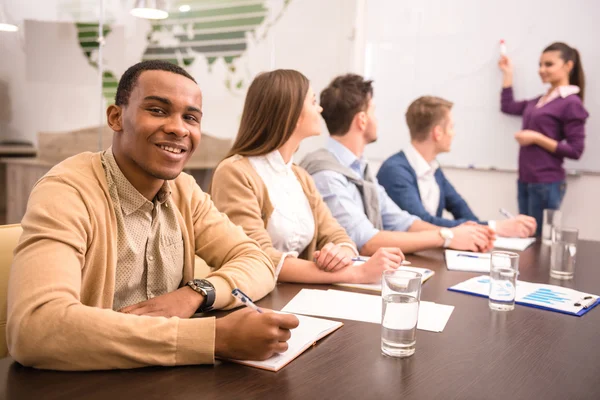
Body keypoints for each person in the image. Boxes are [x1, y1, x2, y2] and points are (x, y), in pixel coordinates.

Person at [7, 60, 299, 371]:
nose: (178, 128)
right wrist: (211, 339)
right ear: (116, 117)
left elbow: (257, 260)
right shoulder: (67, 190)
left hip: (167, 378)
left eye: (190, 117)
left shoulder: (185, 190)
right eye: (158, 110)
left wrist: (197, 294)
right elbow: (36, 327)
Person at [211, 69, 404, 285]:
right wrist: (357, 273)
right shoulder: (235, 172)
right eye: (313, 102)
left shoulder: (300, 176)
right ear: (291, 114)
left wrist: (340, 252)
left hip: (300, 295)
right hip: (257, 301)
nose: (320, 109)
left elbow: (338, 234)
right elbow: (259, 257)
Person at [300, 74, 495, 256]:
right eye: (373, 112)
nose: (377, 119)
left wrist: (453, 232)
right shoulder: (326, 174)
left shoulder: (358, 168)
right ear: (362, 120)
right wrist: (446, 237)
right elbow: (365, 241)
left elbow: (400, 220)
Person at [377, 96, 537, 238]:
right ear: (438, 133)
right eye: (451, 127)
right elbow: (420, 224)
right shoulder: (395, 171)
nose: (453, 133)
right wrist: (496, 227)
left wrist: (486, 230)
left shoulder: (433, 167)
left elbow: (462, 210)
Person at [499, 42, 589, 234]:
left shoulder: (571, 103)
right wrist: (507, 73)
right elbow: (508, 107)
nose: (542, 70)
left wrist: (536, 138)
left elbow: (576, 150)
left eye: (549, 64)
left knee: (539, 242)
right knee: (526, 236)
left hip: (546, 183)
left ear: (568, 66)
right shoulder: (540, 100)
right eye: (540, 65)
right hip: (525, 179)